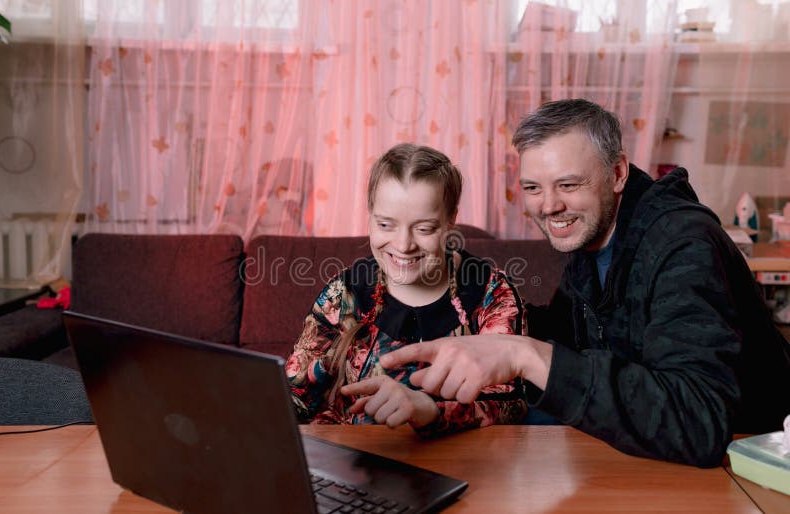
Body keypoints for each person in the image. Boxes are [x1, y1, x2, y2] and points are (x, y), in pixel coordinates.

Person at [379, 99, 790, 466]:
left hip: (747, 471)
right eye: (532, 188)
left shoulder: (684, 244)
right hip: (641, 454)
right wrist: (465, 291)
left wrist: (525, 354)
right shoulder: (592, 236)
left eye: (569, 184)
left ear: (617, 172)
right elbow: (563, 333)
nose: (549, 205)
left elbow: (699, 423)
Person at [285, 143, 527, 434]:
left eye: (424, 229)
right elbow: (296, 394)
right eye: (386, 225)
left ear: (451, 219)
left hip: (462, 464)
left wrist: (430, 410)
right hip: (356, 460)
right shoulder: (345, 292)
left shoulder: (490, 293)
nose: (403, 245)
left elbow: (511, 405)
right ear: (370, 214)